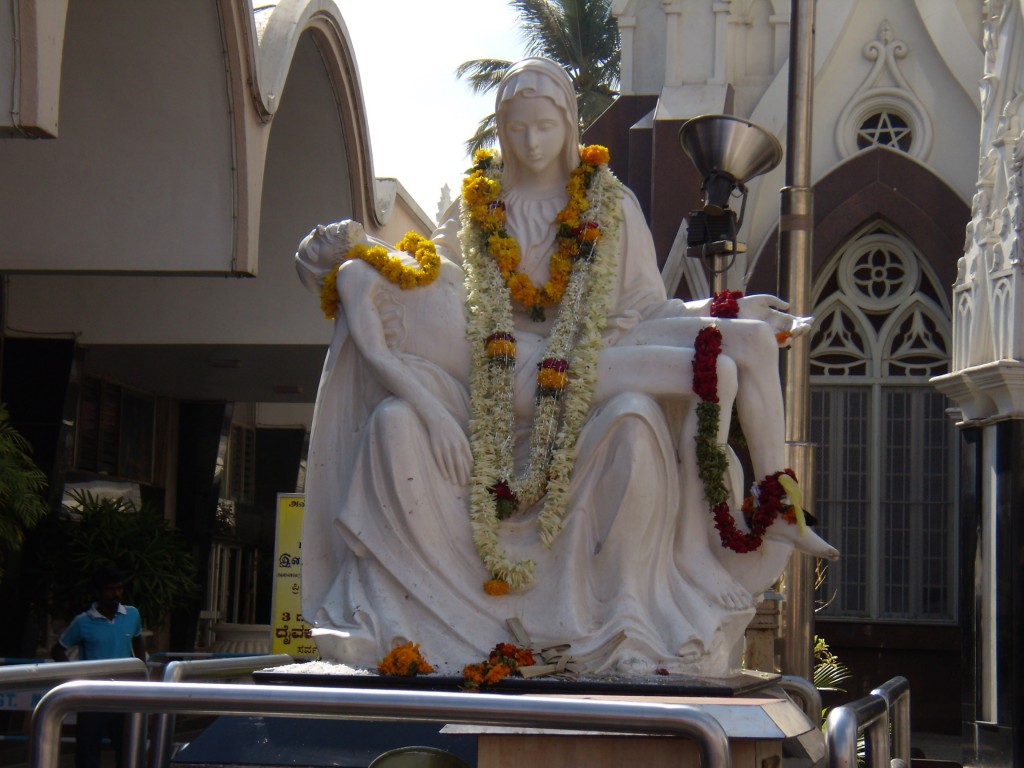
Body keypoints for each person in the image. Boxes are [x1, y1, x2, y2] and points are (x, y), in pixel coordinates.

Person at [298, 57, 815, 676]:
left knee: (750, 343)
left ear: (569, 125)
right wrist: (333, 268)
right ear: (500, 129)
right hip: (517, 386)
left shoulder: (610, 206)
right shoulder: (464, 220)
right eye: (517, 130)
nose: (533, 142)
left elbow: (649, 306)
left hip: (600, 355)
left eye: (544, 127)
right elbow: (430, 306)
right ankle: (700, 548)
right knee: (720, 372)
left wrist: (725, 304)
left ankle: (777, 504)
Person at [52, 566, 145, 768]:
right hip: (91, 698)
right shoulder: (82, 622)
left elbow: (138, 640)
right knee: (87, 754)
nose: (115, 594)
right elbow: (58, 650)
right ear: (98, 592)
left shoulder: (132, 615)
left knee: (127, 751)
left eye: (119, 589)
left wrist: (141, 671)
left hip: (123, 696)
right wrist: (75, 677)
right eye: (110, 589)